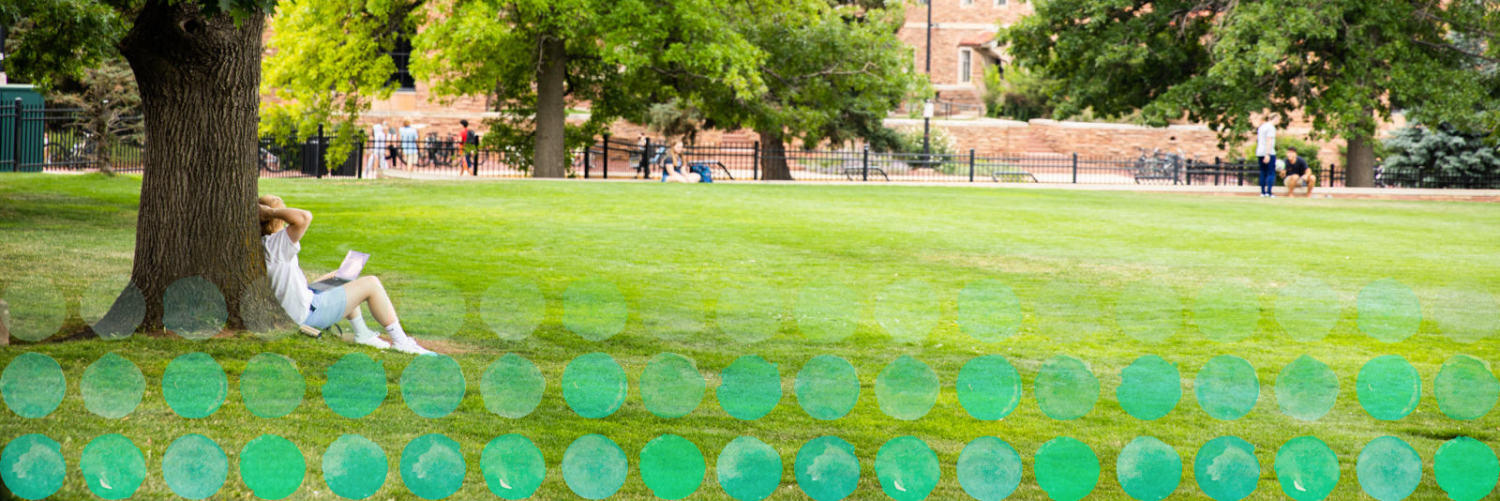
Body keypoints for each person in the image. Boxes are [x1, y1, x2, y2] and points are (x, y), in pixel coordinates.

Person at [258, 195, 433, 355]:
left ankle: (362, 333)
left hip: (304, 300)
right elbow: (304, 217)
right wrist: (270, 212)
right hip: (307, 314)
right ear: (274, 221)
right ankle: (401, 342)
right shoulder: (276, 245)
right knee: (371, 283)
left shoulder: (265, 243)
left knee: (342, 275)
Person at [1255, 119, 1277, 197]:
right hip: (1269, 152)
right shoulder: (1271, 127)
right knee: (1271, 173)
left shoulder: (1262, 127)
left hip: (1260, 152)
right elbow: (1269, 140)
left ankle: (1262, 192)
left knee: (1263, 172)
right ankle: (1269, 192)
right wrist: (1267, 154)